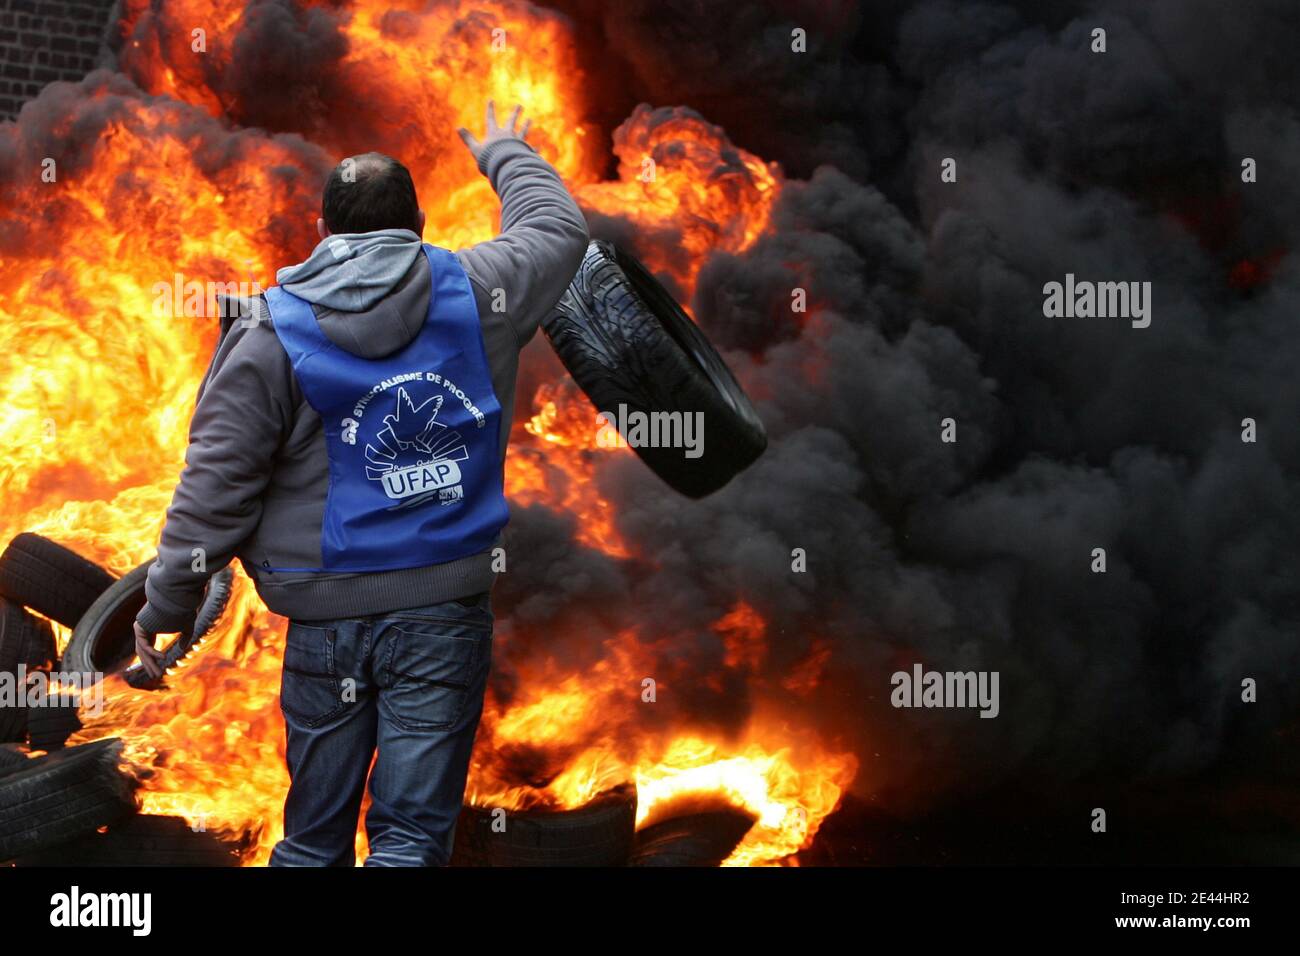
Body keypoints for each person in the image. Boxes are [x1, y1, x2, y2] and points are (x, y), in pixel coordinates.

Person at [131, 102, 590, 866]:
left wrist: (168, 603)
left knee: (312, 843)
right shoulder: (483, 289)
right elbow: (558, 230)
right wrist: (506, 153)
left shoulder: (270, 329)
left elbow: (216, 486)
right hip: (442, 611)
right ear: (418, 220)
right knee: (409, 842)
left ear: (323, 228)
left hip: (325, 616)